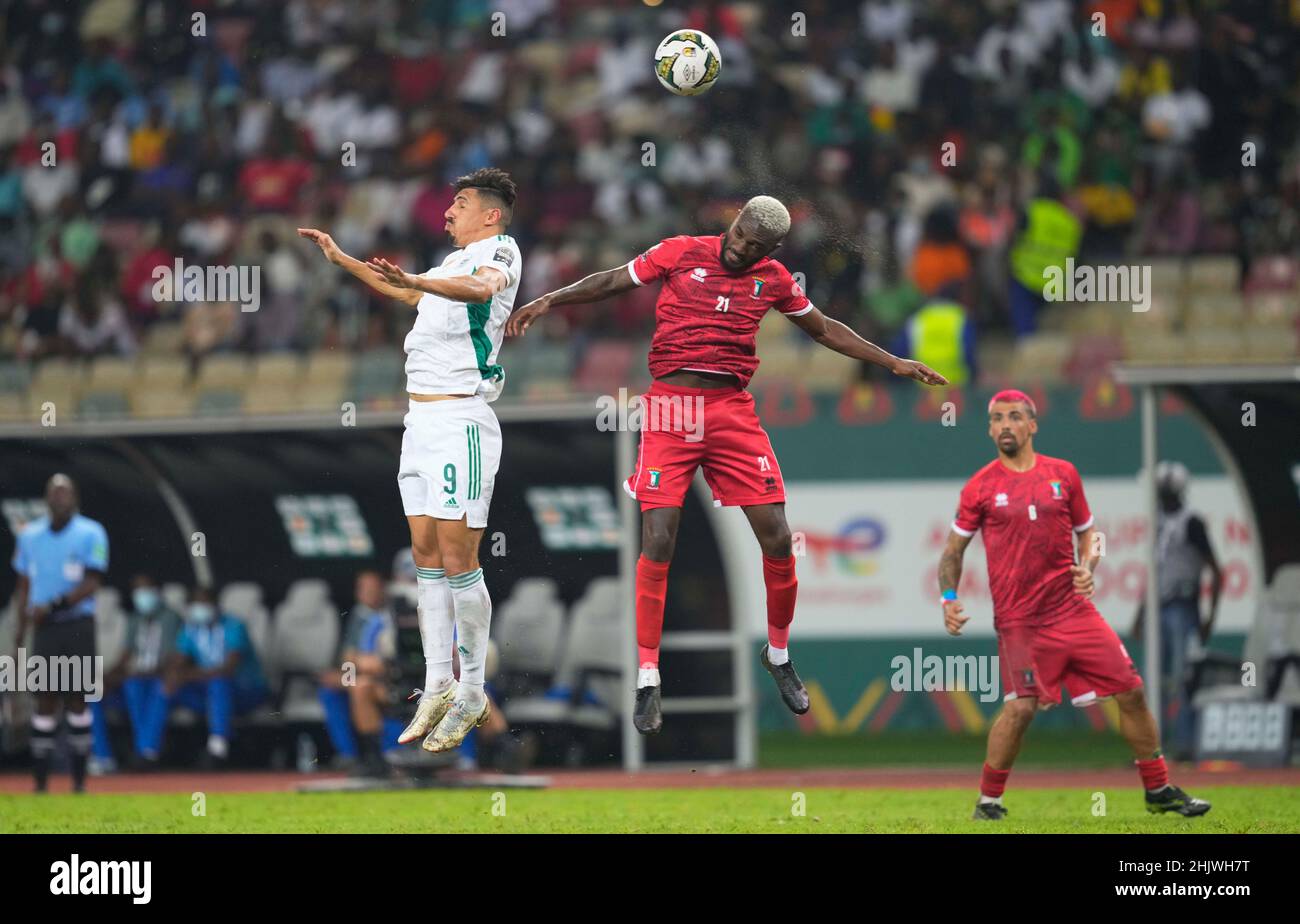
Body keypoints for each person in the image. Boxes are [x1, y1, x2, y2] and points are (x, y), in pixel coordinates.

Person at [507, 195, 946, 734]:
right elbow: (613, 281)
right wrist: (549, 299)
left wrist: (893, 361)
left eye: (755, 246)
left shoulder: (776, 279)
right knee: (659, 536)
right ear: (732, 223)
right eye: (739, 234)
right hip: (671, 406)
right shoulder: (679, 251)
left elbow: (825, 328)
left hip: (730, 409)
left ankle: (779, 655)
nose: (740, 248)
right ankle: (648, 675)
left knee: (778, 536)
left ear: (772, 249)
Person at [299, 167, 523, 753]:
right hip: (419, 420)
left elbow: (481, 291)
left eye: (461, 203)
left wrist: (418, 276)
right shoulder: (448, 262)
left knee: (457, 557)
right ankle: (436, 683)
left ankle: (473, 690)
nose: (448, 212)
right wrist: (345, 260)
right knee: (424, 555)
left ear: (491, 213)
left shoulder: (499, 250)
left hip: (460, 419)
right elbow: (406, 291)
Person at [938, 390, 1210, 820]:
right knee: (1022, 707)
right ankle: (988, 802)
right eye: (996, 419)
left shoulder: (1063, 474)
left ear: (1032, 425)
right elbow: (952, 552)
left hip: (1072, 611)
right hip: (1019, 621)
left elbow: (1092, 534)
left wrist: (1090, 565)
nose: (1004, 425)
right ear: (989, 429)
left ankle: (1158, 788)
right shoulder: (981, 487)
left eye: (1014, 417)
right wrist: (949, 598)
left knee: (1133, 692)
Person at [10, 474, 108, 793]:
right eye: (54, 492)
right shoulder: (30, 536)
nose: (60, 497)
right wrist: (20, 630)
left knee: (78, 699)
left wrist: (55, 604)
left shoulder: (91, 532)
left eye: (65, 492)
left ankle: (79, 782)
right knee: (45, 700)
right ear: (46, 498)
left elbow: (92, 581)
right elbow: (24, 584)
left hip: (77, 624)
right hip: (44, 628)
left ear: (75, 497)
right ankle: (40, 783)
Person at [1133, 460, 1223, 758]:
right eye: (1161, 491)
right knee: (1152, 679)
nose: (1163, 497)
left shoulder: (1191, 522)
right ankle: (1152, 747)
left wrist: (1210, 615)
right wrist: (1141, 614)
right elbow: (1154, 572)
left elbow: (1216, 570)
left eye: (1167, 491)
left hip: (1184, 605)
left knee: (1185, 676)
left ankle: (1185, 744)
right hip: (1159, 606)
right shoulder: (1157, 521)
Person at [162, 586, 269, 766]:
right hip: (210, 695)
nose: (200, 607)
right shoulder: (191, 628)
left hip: (245, 691)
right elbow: (178, 660)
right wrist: (172, 674)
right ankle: (148, 751)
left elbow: (227, 669)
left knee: (219, 683)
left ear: (216, 605)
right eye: (196, 603)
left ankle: (218, 748)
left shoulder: (234, 625)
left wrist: (186, 675)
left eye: (205, 602)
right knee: (165, 688)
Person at [90, 573, 181, 771]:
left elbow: (170, 659)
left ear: (157, 592)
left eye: (146, 590)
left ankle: (146, 752)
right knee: (93, 693)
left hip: (155, 680)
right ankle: (103, 757)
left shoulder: (170, 618)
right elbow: (124, 657)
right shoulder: (134, 619)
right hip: (135, 679)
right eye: (137, 591)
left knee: (138, 686)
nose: (142, 595)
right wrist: (106, 678)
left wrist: (135, 674)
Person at [318, 570, 397, 775]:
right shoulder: (360, 616)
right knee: (332, 691)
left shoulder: (394, 613)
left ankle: (388, 756)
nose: (368, 593)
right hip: (367, 677)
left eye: (373, 588)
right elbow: (349, 656)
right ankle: (350, 755)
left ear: (383, 590)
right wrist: (347, 678)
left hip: (395, 680)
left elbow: (387, 660)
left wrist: (359, 671)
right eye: (363, 589)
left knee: (361, 688)